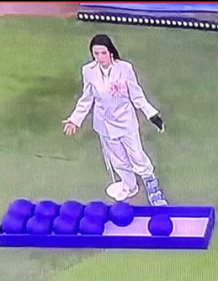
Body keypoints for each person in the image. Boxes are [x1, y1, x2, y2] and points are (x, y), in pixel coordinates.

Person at [63, 34, 169, 206]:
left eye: (103, 53)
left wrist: (151, 114)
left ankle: (151, 184)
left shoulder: (125, 69)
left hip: (125, 121)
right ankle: (130, 185)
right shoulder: (88, 71)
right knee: (117, 159)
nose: (100, 57)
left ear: (111, 52)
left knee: (136, 154)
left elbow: (136, 95)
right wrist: (75, 120)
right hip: (104, 124)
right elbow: (87, 98)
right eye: (96, 54)